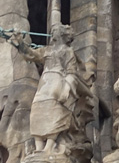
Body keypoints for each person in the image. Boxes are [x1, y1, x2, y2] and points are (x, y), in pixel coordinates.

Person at [27, 23, 91, 153]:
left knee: (54, 111)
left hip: (57, 80)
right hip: (45, 82)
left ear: (61, 34)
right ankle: (39, 147)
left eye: (55, 31)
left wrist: (67, 88)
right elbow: (31, 54)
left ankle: (49, 146)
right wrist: (19, 44)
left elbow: (71, 71)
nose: (52, 33)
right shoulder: (47, 50)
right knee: (36, 110)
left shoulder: (67, 51)